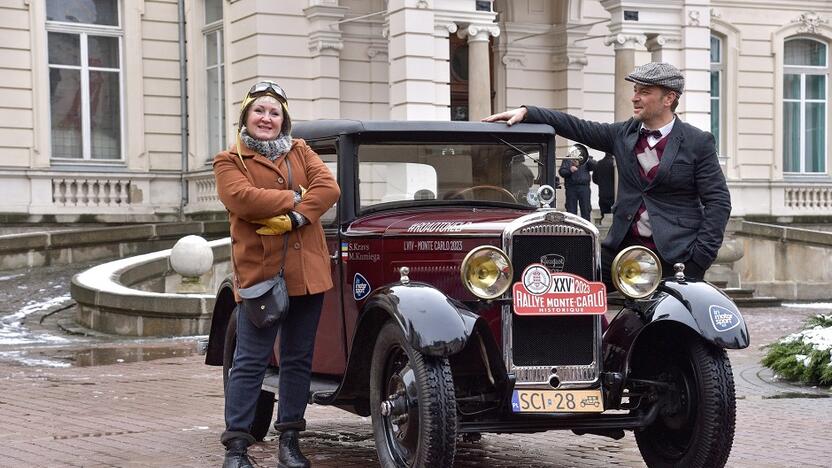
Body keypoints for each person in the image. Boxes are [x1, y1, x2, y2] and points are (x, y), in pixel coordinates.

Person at [484, 62, 731, 289]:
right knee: (570, 286)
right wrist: (529, 112)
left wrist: (699, 259)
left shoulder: (697, 142)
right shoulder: (623, 134)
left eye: (644, 92)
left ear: (669, 98)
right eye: (635, 90)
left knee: (669, 324)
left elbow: (718, 202)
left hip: (676, 257)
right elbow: (577, 126)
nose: (634, 98)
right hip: (621, 251)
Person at [213, 81, 340, 468]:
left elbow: (329, 188)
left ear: (283, 118)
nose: (266, 118)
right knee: (250, 360)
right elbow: (242, 199)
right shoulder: (229, 160)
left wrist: (296, 217)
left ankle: (290, 442)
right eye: (259, 111)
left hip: (308, 273)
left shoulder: (300, 150)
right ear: (246, 117)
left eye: (274, 112)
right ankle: (236, 448)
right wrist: (297, 198)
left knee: (298, 359)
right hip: (261, 274)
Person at [558, 144, 596, 221]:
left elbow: (595, 166)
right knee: (571, 210)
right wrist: (570, 170)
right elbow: (562, 172)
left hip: (584, 187)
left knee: (586, 208)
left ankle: (587, 229)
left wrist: (586, 158)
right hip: (571, 187)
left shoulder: (586, 159)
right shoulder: (567, 159)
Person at [593, 152, 616, 220]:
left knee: (604, 215)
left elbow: (594, 179)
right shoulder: (614, 164)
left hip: (602, 193)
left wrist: (601, 183)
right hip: (613, 194)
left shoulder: (599, 163)